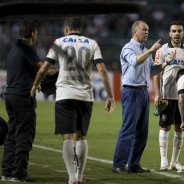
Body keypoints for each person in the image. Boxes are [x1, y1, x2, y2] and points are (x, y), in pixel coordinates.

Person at [31, 17, 115, 184]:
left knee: (67, 138)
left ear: (66, 29)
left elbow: (44, 68)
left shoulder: (58, 42)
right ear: (80, 28)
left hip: (64, 95)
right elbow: (102, 70)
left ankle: (71, 177)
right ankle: (80, 176)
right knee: (82, 136)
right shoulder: (92, 43)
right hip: (85, 96)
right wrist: (110, 96)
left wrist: (36, 84)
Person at [112, 20, 175, 174]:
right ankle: (119, 164)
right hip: (131, 91)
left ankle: (134, 164)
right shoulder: (128, 48)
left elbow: (152, 71)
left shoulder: (145, 50)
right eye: (143, 30)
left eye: (147, 30)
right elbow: (135, 61)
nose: (146, 32)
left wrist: (166, 63)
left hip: (143, 92)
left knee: (142, 131)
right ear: (135, 31)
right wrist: (151, 50)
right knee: (128, 129)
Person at [1, 20, 57, 182]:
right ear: (32, 34)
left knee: (12, 134)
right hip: (22, 97)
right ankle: (19, 172)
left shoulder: (14, 48)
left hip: (10, 95)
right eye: (36, 33)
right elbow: (43, 70)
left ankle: (7, 171)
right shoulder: (27, 47)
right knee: (25, 134)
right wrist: (62, 71)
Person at [153, 21, 184, 171]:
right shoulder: (162, 50)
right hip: (166, 95)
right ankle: (163, 161)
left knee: (181, 128)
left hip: (183, 96)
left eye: (179, 31)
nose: (177, 34)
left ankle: (174, 161)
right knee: (164, 127)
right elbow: (155, 73)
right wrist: (157, 94)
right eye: (174, 31)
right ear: (169, 33)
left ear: (183, 33)